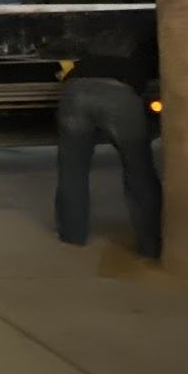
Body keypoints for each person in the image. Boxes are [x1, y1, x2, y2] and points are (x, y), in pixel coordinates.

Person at [54, 23, 163, 259]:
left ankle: (72, 236)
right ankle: (151, 244)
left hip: (75, 88)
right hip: (118, 93)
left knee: (72, 169)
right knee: (138, 169)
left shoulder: (104, 35)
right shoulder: (155, 36)